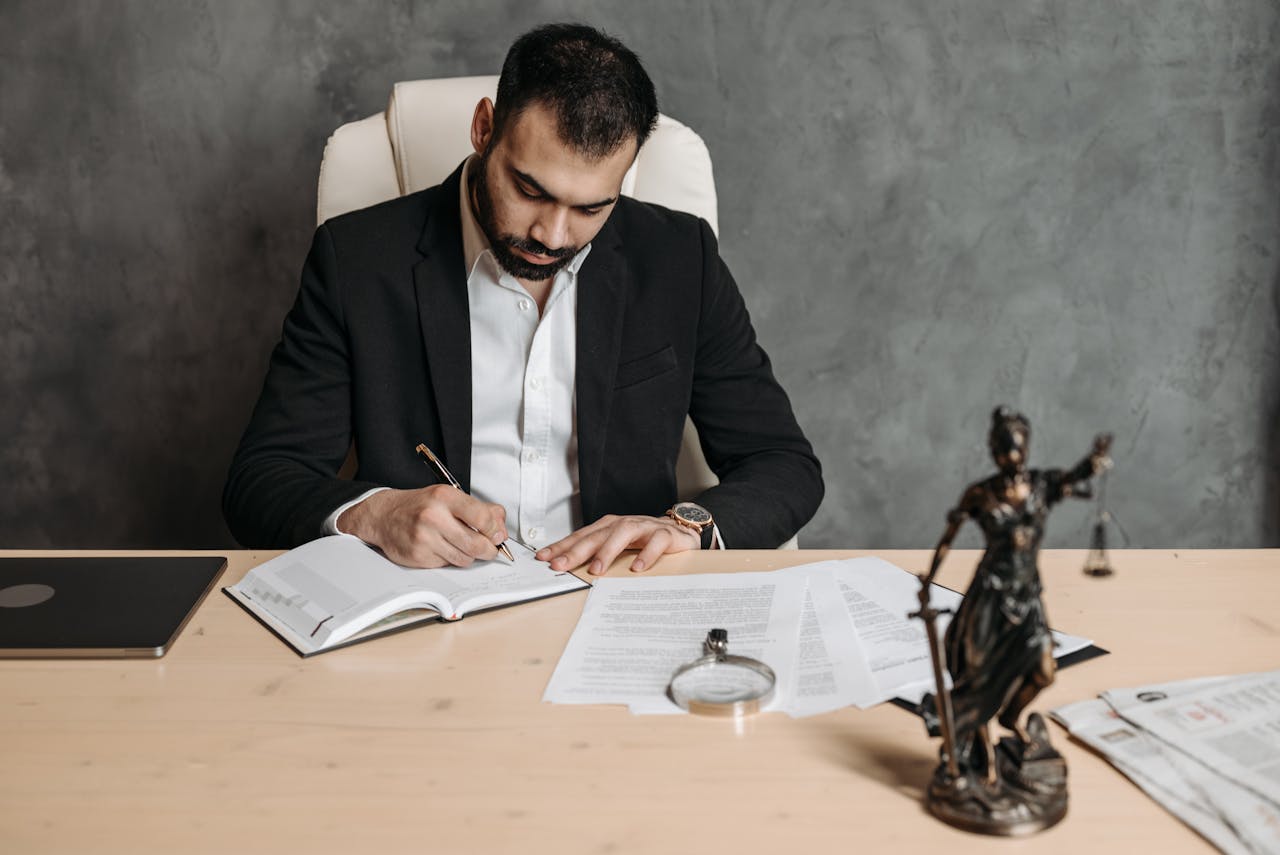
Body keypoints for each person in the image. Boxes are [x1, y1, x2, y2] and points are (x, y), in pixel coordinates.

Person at [223, 23, 822, 574]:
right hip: (430, 606)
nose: (553, 236)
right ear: (484, 128)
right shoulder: (355, 259)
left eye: (591, 207)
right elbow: (260, 482)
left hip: (616, 595)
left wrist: (684, 525)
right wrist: (374, 514)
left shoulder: (678, 257)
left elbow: (782, 462)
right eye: (529, 190)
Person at [921, 407, 1111, 783]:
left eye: (1017, 449)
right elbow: (949, 536)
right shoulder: (981, 493)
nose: (1009, 457)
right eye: (1002, 450)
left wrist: (1094, 460)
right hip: (989, 600)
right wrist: (929, 580)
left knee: (1043, 671)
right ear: (992, 451)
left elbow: (1076, 476)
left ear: (1027, 448)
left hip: (1027, 598)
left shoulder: (1042, 486)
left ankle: (1010, 718)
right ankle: (982, 749)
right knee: (980, 676)